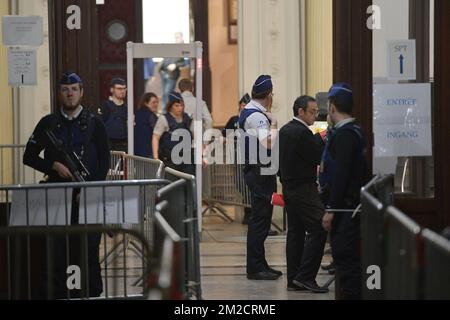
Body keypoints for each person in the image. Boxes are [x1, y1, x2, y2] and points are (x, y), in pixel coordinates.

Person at [23, 72, 110, 299]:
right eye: (65, 89)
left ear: (81, 92)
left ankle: (88, 293)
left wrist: (89, 188)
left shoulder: (94, 123)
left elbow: (104, 162)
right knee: (57, 250)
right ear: (59, 93)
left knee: (88, 250)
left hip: (87, 197)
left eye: (74, 89)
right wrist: (52, 166)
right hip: (57, 196)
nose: (69, 93)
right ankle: (60, 294)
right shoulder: (49, 123)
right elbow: (29, 156)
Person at [321, 83, 368, 300]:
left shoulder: (346, 135)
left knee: (346, 262)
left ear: (332, 107)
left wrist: (331, 209)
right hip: (345, 206)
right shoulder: (347, 132)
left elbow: (341, 175)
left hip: (345, 208)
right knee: (344, 261)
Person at [279, 96, 328, 293]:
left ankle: (293, 279)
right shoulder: (302, 132)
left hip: (289, 187)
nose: (315, 115)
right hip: (303, 189)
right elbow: (315, 155)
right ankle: (306, 276)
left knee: (296, 233)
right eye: (312, 111)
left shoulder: (284, 130)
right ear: (301, 111)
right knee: (319, 227)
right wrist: (323, 137)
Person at [238, 75, 281, 281]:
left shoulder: (251, 112)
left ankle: (260, 263)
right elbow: (269, 143)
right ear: (268, 95)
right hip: (259, 171)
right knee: (259, 221)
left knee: (262, 220)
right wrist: (274, 123)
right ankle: (255, 267)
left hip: (258, 170)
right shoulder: (258, 116)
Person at [152, 91, 195, 175]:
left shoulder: (188, 119)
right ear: (170, 106)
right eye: (177, 105)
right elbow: (155, 137)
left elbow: (195, 136)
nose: (180, 108)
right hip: (170, 160)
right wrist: (155, 157)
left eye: (181, 105)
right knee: (172, 185)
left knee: (188, 185)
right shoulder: (164, 119)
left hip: (186, 160)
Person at [99, 77, 128, 152]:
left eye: (124, 88)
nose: (122, 91)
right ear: (112, 89)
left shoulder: (127, 107)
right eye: (119, 88)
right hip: (109, 146)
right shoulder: (105, 106)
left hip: (125, 145)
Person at [134, 92, 159, 158]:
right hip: (148, 151)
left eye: (157, 102)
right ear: (146, 103)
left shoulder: (137, 114)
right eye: (153, 102)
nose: (156, 104)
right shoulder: (151, 116)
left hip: (136, 151)